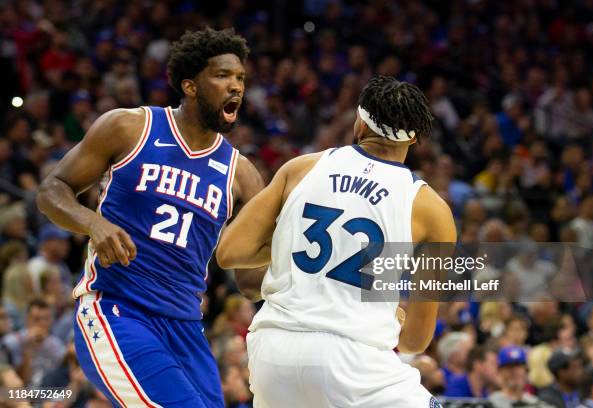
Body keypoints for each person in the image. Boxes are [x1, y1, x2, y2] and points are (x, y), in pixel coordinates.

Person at [36, 27, 264, 408]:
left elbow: (249, 278)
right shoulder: (130, 127)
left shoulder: (242, 175)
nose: (235, 86)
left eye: (240, 78)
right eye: (223, 75)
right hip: (117, 311)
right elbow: (50, 191)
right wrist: (94, 223)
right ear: (190, 86)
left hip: (187, 329)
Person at [217, 76, 456, 407]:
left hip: (272, 351)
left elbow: (229, 253)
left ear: (359, 123)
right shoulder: (431, 210)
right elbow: (415, 341)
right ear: (414, 140)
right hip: (353, 363)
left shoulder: (300, 168)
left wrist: (293, 241)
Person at [2, 298, 65, 387]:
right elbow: (18, 382)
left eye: (46, 319)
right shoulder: (11, 342)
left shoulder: (56, 345)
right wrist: (28, 347)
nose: (42, 324)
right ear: (27, 319)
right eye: (37, 319)